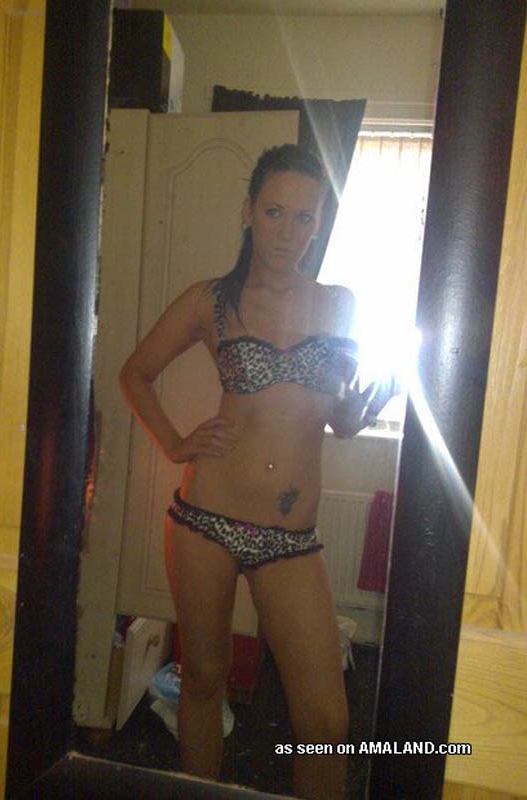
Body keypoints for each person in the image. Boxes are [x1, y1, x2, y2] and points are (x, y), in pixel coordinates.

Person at [119, 144, 397, 800]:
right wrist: (175, 443)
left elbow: (336, 418)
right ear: (248, 212)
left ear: (320, 223)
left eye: (305, 217)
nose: (288, 231)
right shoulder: (210, 301)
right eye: (275, 212)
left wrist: (358, 412)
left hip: (290, 539)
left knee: (326, 721)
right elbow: (135, 373)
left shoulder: (341, 303)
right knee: (204, 680)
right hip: (204, 522)